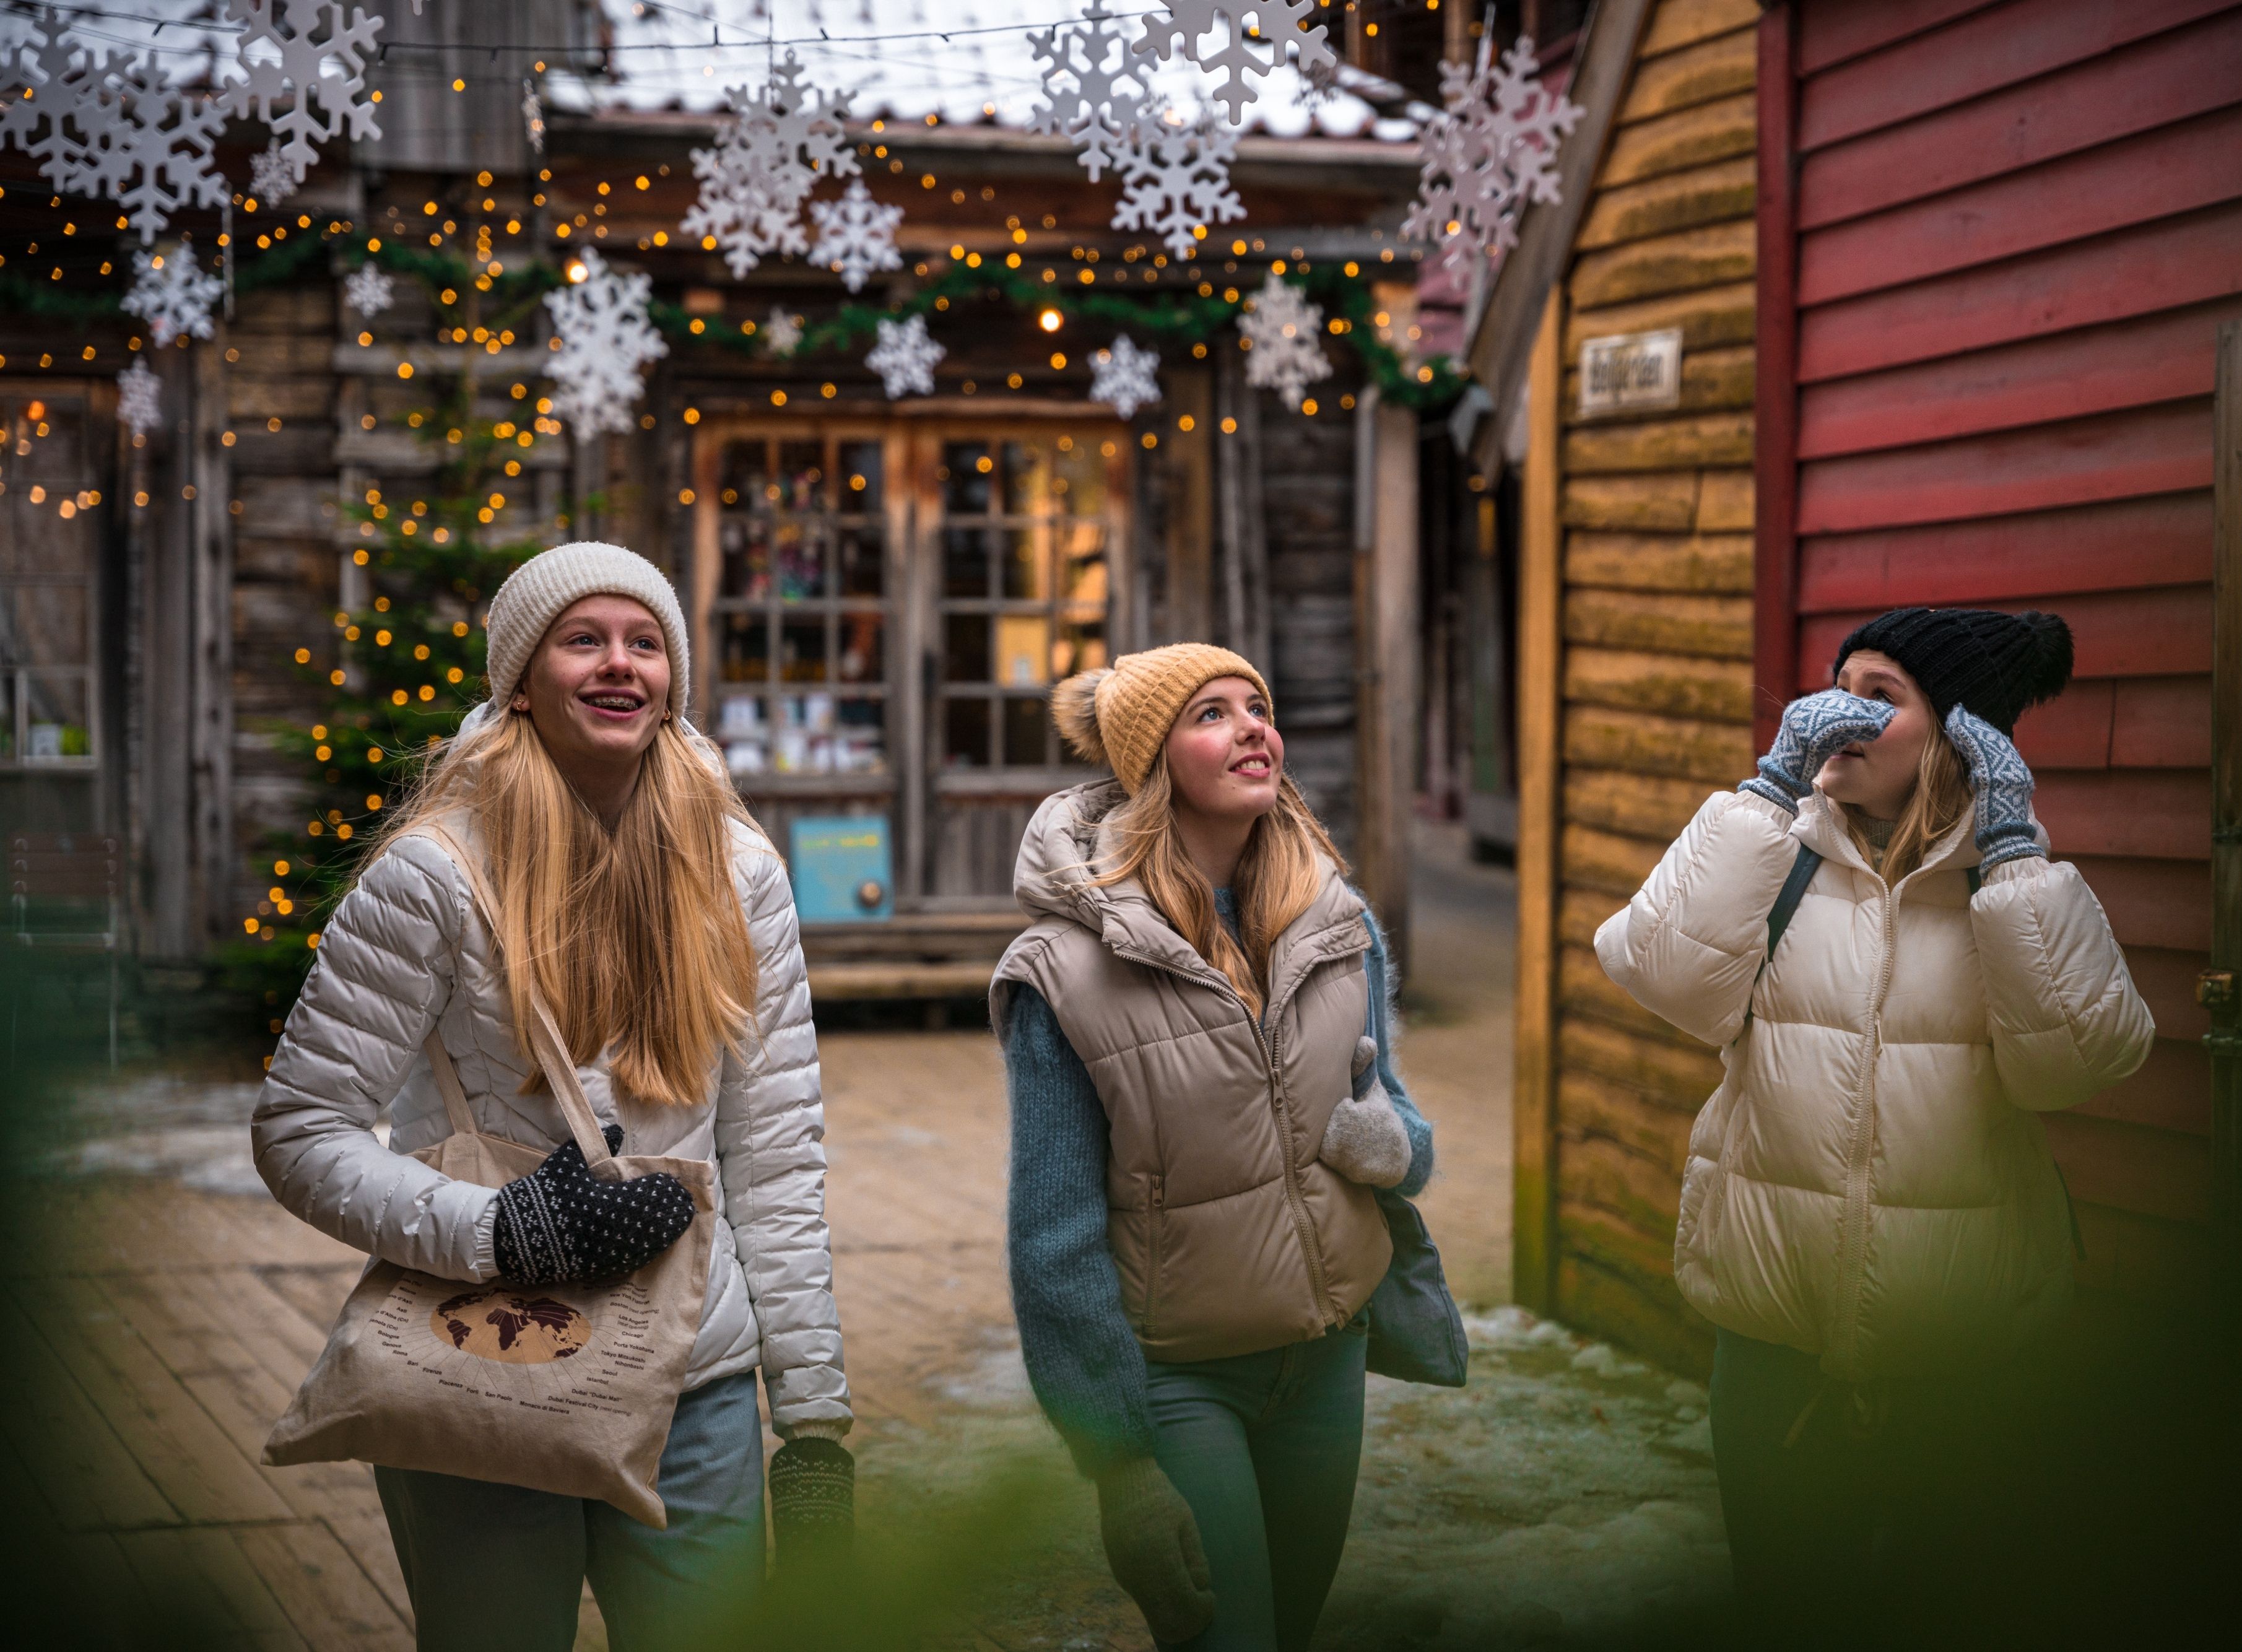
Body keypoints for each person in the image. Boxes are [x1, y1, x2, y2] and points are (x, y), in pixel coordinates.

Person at [252, 542, 851, 1651]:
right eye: (585, 640)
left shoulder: (740, 871)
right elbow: (301, 1129)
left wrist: (814, 1423)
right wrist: (500, 1230)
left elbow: (775, 1161)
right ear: (521, 680)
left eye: (645, 642)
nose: (620, 665)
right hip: (482, 1365)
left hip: (694, 1383)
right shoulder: (434, 874)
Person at [1594, 608, 2153, 1648]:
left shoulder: (2009, 886)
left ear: (1958, 733)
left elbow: (2082, 1064)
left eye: (1879, 694)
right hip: (1775, 1358)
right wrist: (1767, 790)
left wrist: (2016, 851)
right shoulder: (1775, 856)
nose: (1835, 713)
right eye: (1833, 687)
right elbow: (1657, 973)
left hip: (1969, 1367)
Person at [993, 644, 1436, 1652]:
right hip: (1181, 1378)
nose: (1251, 728)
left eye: (1259, 707)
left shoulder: (1337, 926)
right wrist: (1119, 1465)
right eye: (1211, 714)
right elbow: (1052, 1240)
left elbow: (1394, 1123)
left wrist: (1396, 1146)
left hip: (1325, 1362)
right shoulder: (1066, 971)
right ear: (1153, 765)